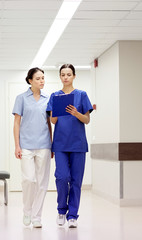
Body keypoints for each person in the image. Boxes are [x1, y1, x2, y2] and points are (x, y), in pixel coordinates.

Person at [46, 63, 93, 228]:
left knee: (75, 181)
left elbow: (87, 120)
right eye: (63, 74)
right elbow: (52, 121)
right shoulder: (55, 96)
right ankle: (61, 210)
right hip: (60, 144)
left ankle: (72, 215)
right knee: (62, 177)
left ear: (74, 76)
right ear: (60, 77)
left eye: (69, 74)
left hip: (78, 144)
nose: (66, 77)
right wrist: (57, 112)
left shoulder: (82, 95)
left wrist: (76, 113)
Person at [12, 67, 52, 228]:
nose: (41, 81)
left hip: (44, 144)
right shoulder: (21, 98)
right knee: (29, 180)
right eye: (38, 78)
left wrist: (52, 144)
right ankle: (27, 211)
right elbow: (16, 123)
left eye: (43, 78)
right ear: (30, 81)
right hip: (26, 145)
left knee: (42, 182)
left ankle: (37, 217)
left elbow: (49, 123)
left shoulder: (48, 99)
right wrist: (17, 145)